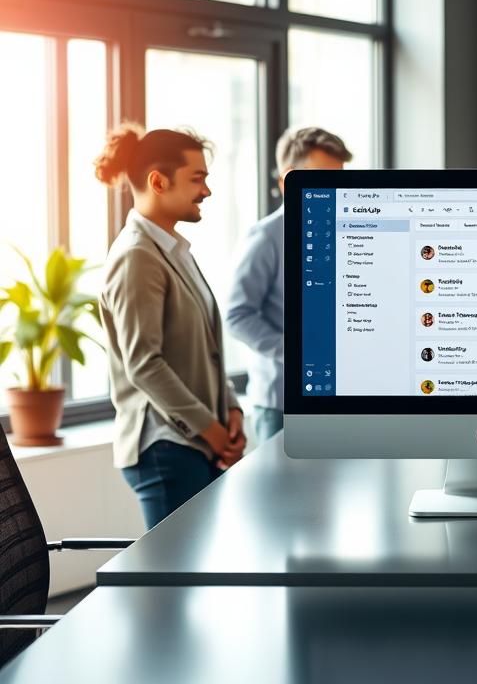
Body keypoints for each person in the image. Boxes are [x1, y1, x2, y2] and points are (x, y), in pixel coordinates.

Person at [96, 123, 246, 529]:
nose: (207, 191)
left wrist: (230, 409)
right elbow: (144, 364)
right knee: (176, 583)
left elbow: (204, 347)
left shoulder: (173, 249)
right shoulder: (136, 256)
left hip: (194, 443)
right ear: (158, 181)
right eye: (197, 179)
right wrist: (212, 432)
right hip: (167, 447)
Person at [226, 127, 352, 443]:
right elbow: (237, 316)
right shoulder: (266, 237)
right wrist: (297, 353)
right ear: (288, 181)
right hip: (281, 405)